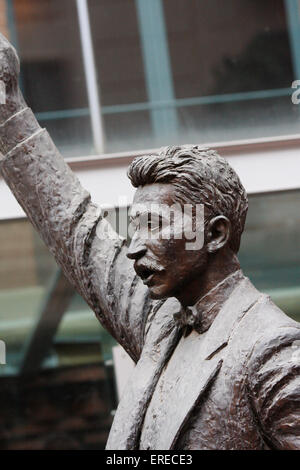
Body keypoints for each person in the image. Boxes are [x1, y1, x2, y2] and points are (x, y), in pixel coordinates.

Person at [0, 33, 299, 450]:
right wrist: (7, 108)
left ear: (214, 233)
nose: (135, 246)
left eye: (155, 225)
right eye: (134, 226)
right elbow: (76, 229)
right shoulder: (158, 323)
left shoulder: (274, 350)